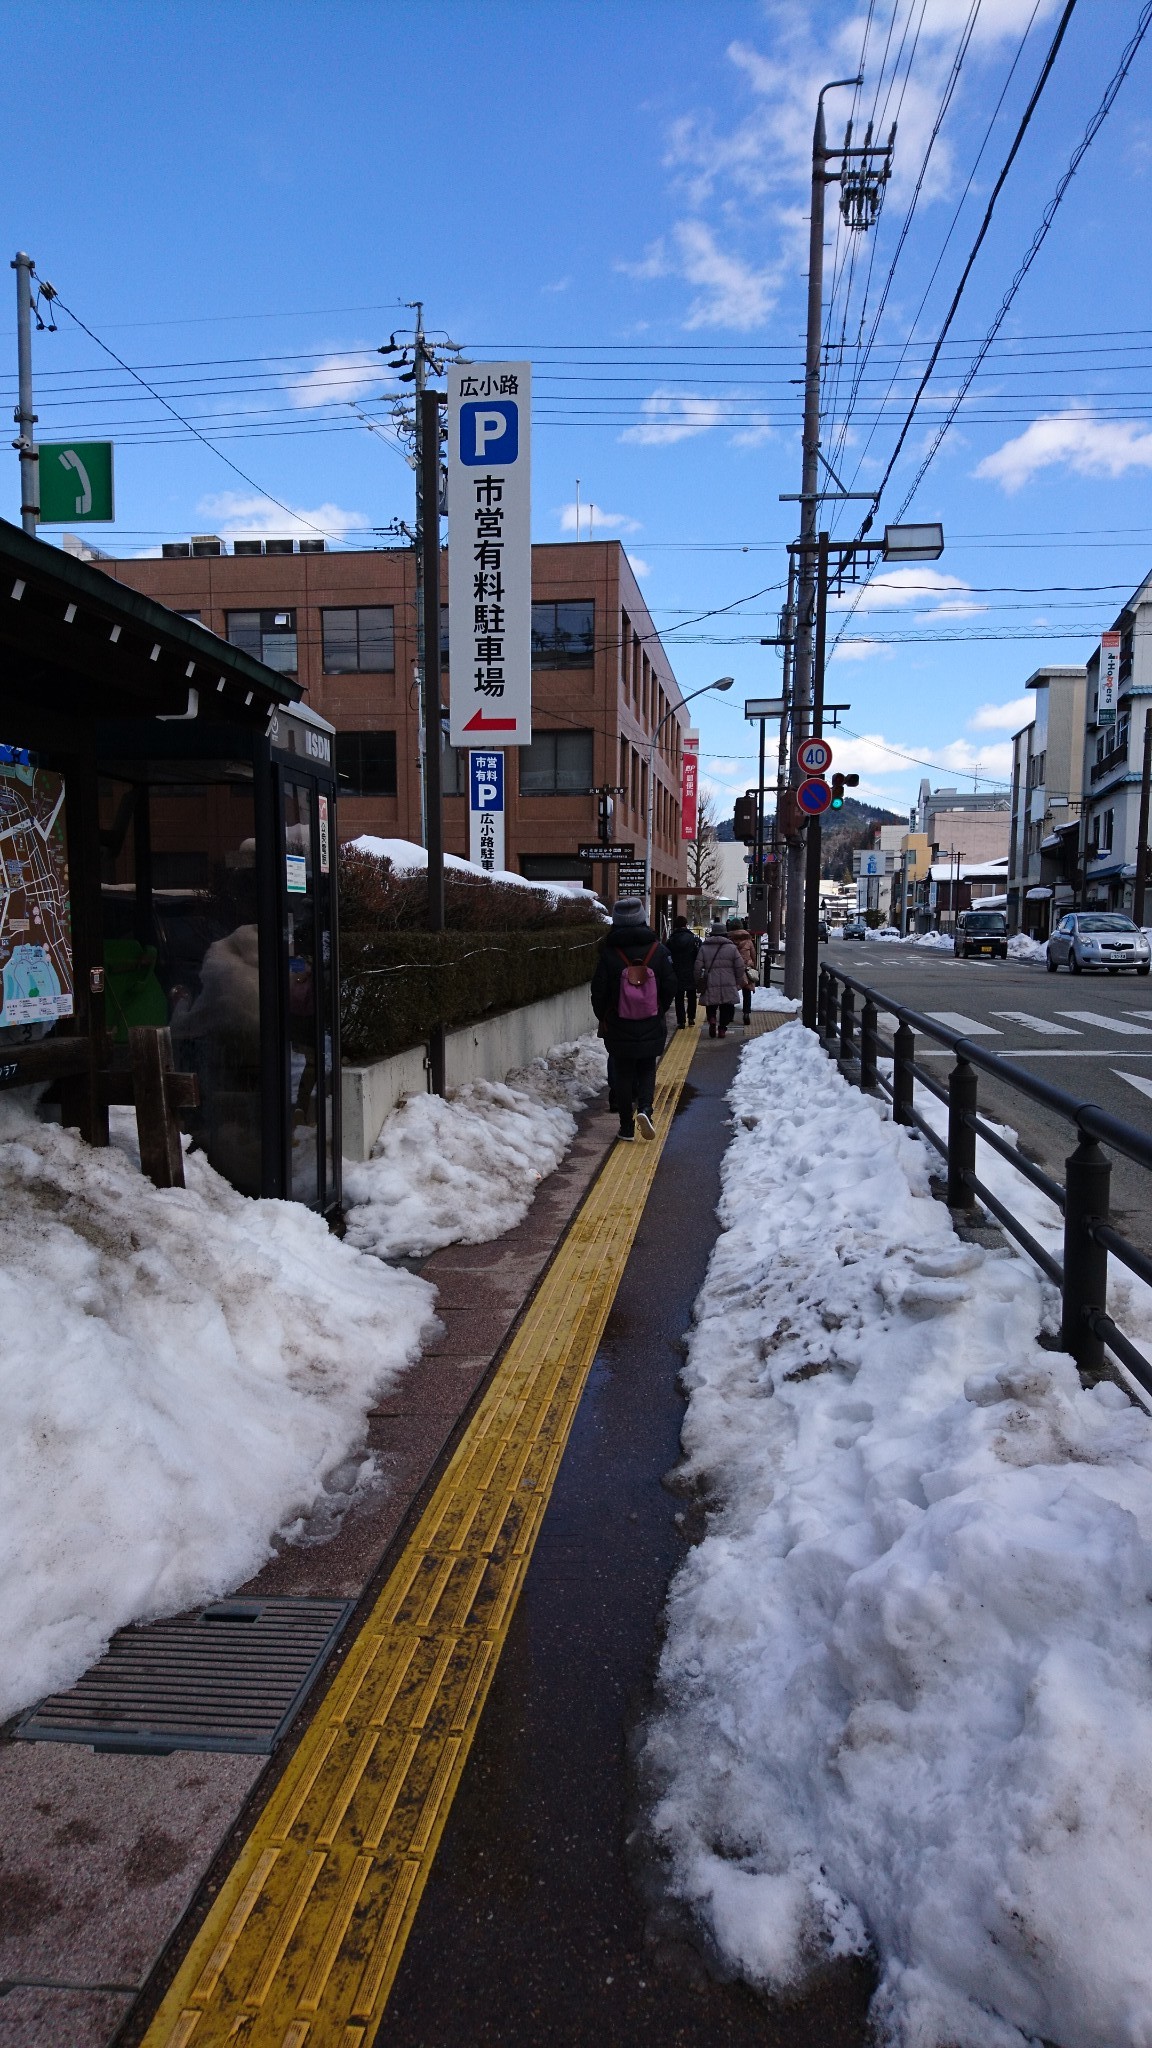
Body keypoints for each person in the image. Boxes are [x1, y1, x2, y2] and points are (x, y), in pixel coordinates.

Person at [591, 897, 677, 1141]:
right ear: (641, 918)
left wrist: (605, 1016)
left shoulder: (609, 952)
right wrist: (659, 1008)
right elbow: (671, 983)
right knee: (648, 1067)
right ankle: (646, 1109)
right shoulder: (657, 950)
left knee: (623, 1071)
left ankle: (626, 1127)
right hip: (651, 1020)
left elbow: (598, 990)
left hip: (619, 1022)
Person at [696, 919, 746, 1039]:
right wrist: (739, 981)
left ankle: (712, 1019)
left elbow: (697, 966)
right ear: (725, 934)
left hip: (710, 981)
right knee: (727, 1006)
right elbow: (740, 966)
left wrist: (698, 980)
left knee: (711, 1003)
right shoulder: (732, 948)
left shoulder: (704, 947)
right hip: (728, 981)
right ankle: (722, 1028)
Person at [667, 914, 702, 1028]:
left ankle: (681, 1021)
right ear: (686, 925)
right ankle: (691, 1018)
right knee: (692, 995)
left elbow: (668, 957)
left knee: (679, 997)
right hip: (691, 970)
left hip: (676, 971)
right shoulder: (694, 939)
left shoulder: (671, 940)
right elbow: (699, 956)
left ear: (675, 926)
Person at [726, 917, 757, 1026]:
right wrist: (754, 966)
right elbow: (754, 955)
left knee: (731, 992)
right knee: (747, 991)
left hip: (732, 968)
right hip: (746, 968)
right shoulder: (748, 940)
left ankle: (730, 1015)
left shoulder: (728, 940)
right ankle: (746, 1013)